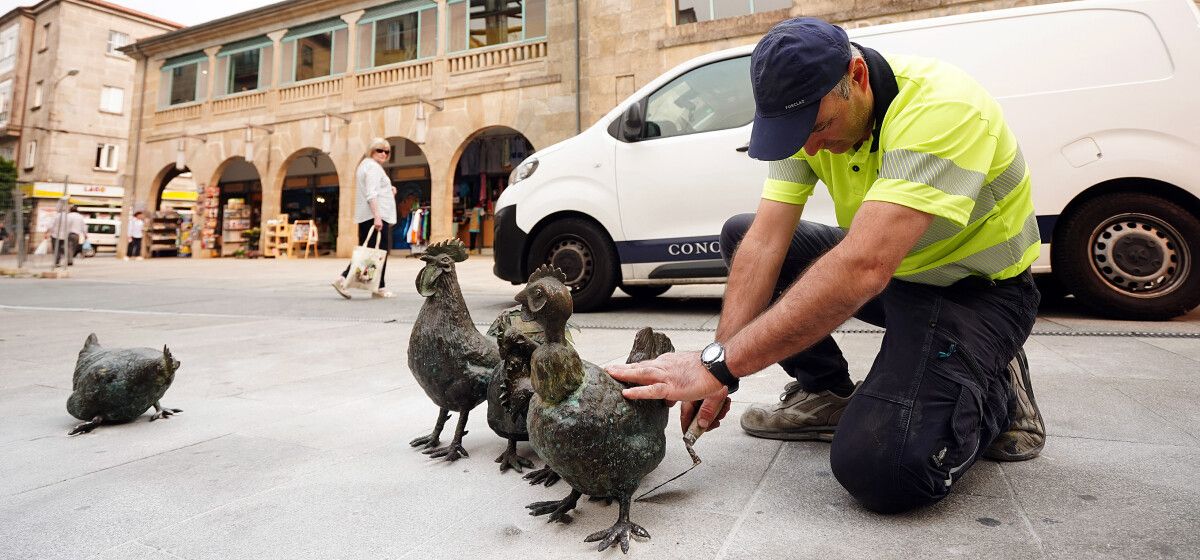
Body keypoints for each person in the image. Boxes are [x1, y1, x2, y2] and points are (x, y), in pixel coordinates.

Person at [607, 17, 1045, 514]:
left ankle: (996, 379)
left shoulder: (943, 108)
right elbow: (766, 243)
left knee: (886, 471)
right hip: (896, 273)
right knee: (742, 232)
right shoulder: (807, 116)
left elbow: (863, 267)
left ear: (857, 76)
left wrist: (716, 367)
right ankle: (828, 394)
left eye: (818, 128)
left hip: (976, 292)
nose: (810, 148)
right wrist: (719, 362)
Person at [333, 138, 397, 299]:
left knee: (368, 253)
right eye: (379, 150)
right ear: (371, 150)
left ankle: (353, 281)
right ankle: (377, 287)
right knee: (379, 253)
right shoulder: (373, 167)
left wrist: (389, 190)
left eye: (387, 151)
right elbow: (371, 193)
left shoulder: (364, 166)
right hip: (375, 216)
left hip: (367, 216)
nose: (384, 154)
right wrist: (377, 217)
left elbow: (372, 189)